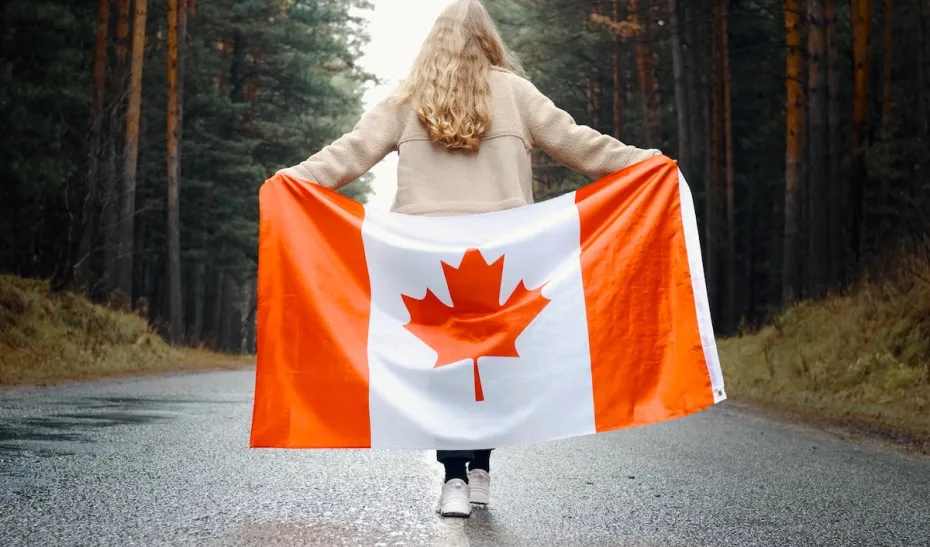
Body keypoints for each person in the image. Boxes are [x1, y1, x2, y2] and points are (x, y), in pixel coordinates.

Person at [277, 0, 659, 518]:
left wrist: (291, 181)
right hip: (502, 254)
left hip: (424, 257)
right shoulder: (515, 93)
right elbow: (579, 145)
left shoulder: (406, 100)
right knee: (490, 363)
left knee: (446, 368)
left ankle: (455, 477)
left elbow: (348, 153)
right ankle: (479, 470)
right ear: (489, 40)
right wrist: (645, 163)